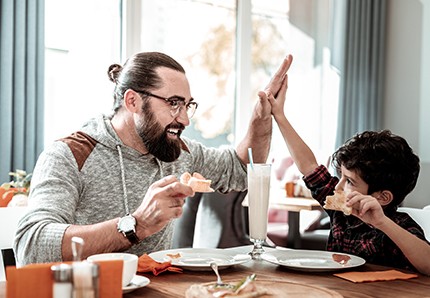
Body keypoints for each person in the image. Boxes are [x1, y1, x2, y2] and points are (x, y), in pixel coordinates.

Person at [14, 52, 293, 265]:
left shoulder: (177, 151)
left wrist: (261, 117)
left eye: (187, 105)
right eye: (173, 103)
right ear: (132, 101)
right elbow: (31, 245)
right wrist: (136, 224)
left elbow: (240, 169)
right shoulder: (70, 154)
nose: (183, 119)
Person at [269, 55, 430, 275]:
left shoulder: (400, 225)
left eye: (350, 181)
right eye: (341, 177)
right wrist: (279, 115)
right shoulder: (341, 212)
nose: (337, 187)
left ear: (382, 197)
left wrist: (382, 223)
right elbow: (308, 165)